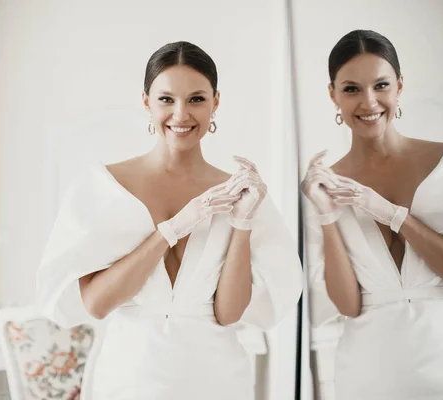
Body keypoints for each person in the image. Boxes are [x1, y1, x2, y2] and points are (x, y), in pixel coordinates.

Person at [36, 41, 303, 400]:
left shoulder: (239, 193)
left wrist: (242, 224)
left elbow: (228, 313)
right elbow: (97, 304)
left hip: (218, 382)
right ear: (146, 101)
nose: (181, 114)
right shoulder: (103, 187)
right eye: (166, 99)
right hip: (130, 382)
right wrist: (175, 228)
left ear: (215, 102)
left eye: (196, 99)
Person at [302, 30, 443, 399]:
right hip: (367, 378)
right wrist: (328, 216)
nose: (369, 101)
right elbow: (348, 304)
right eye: (351, 89)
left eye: (381, 85)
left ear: (399, 86)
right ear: (332, 94)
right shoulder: (326, 186)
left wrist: (394, 215)